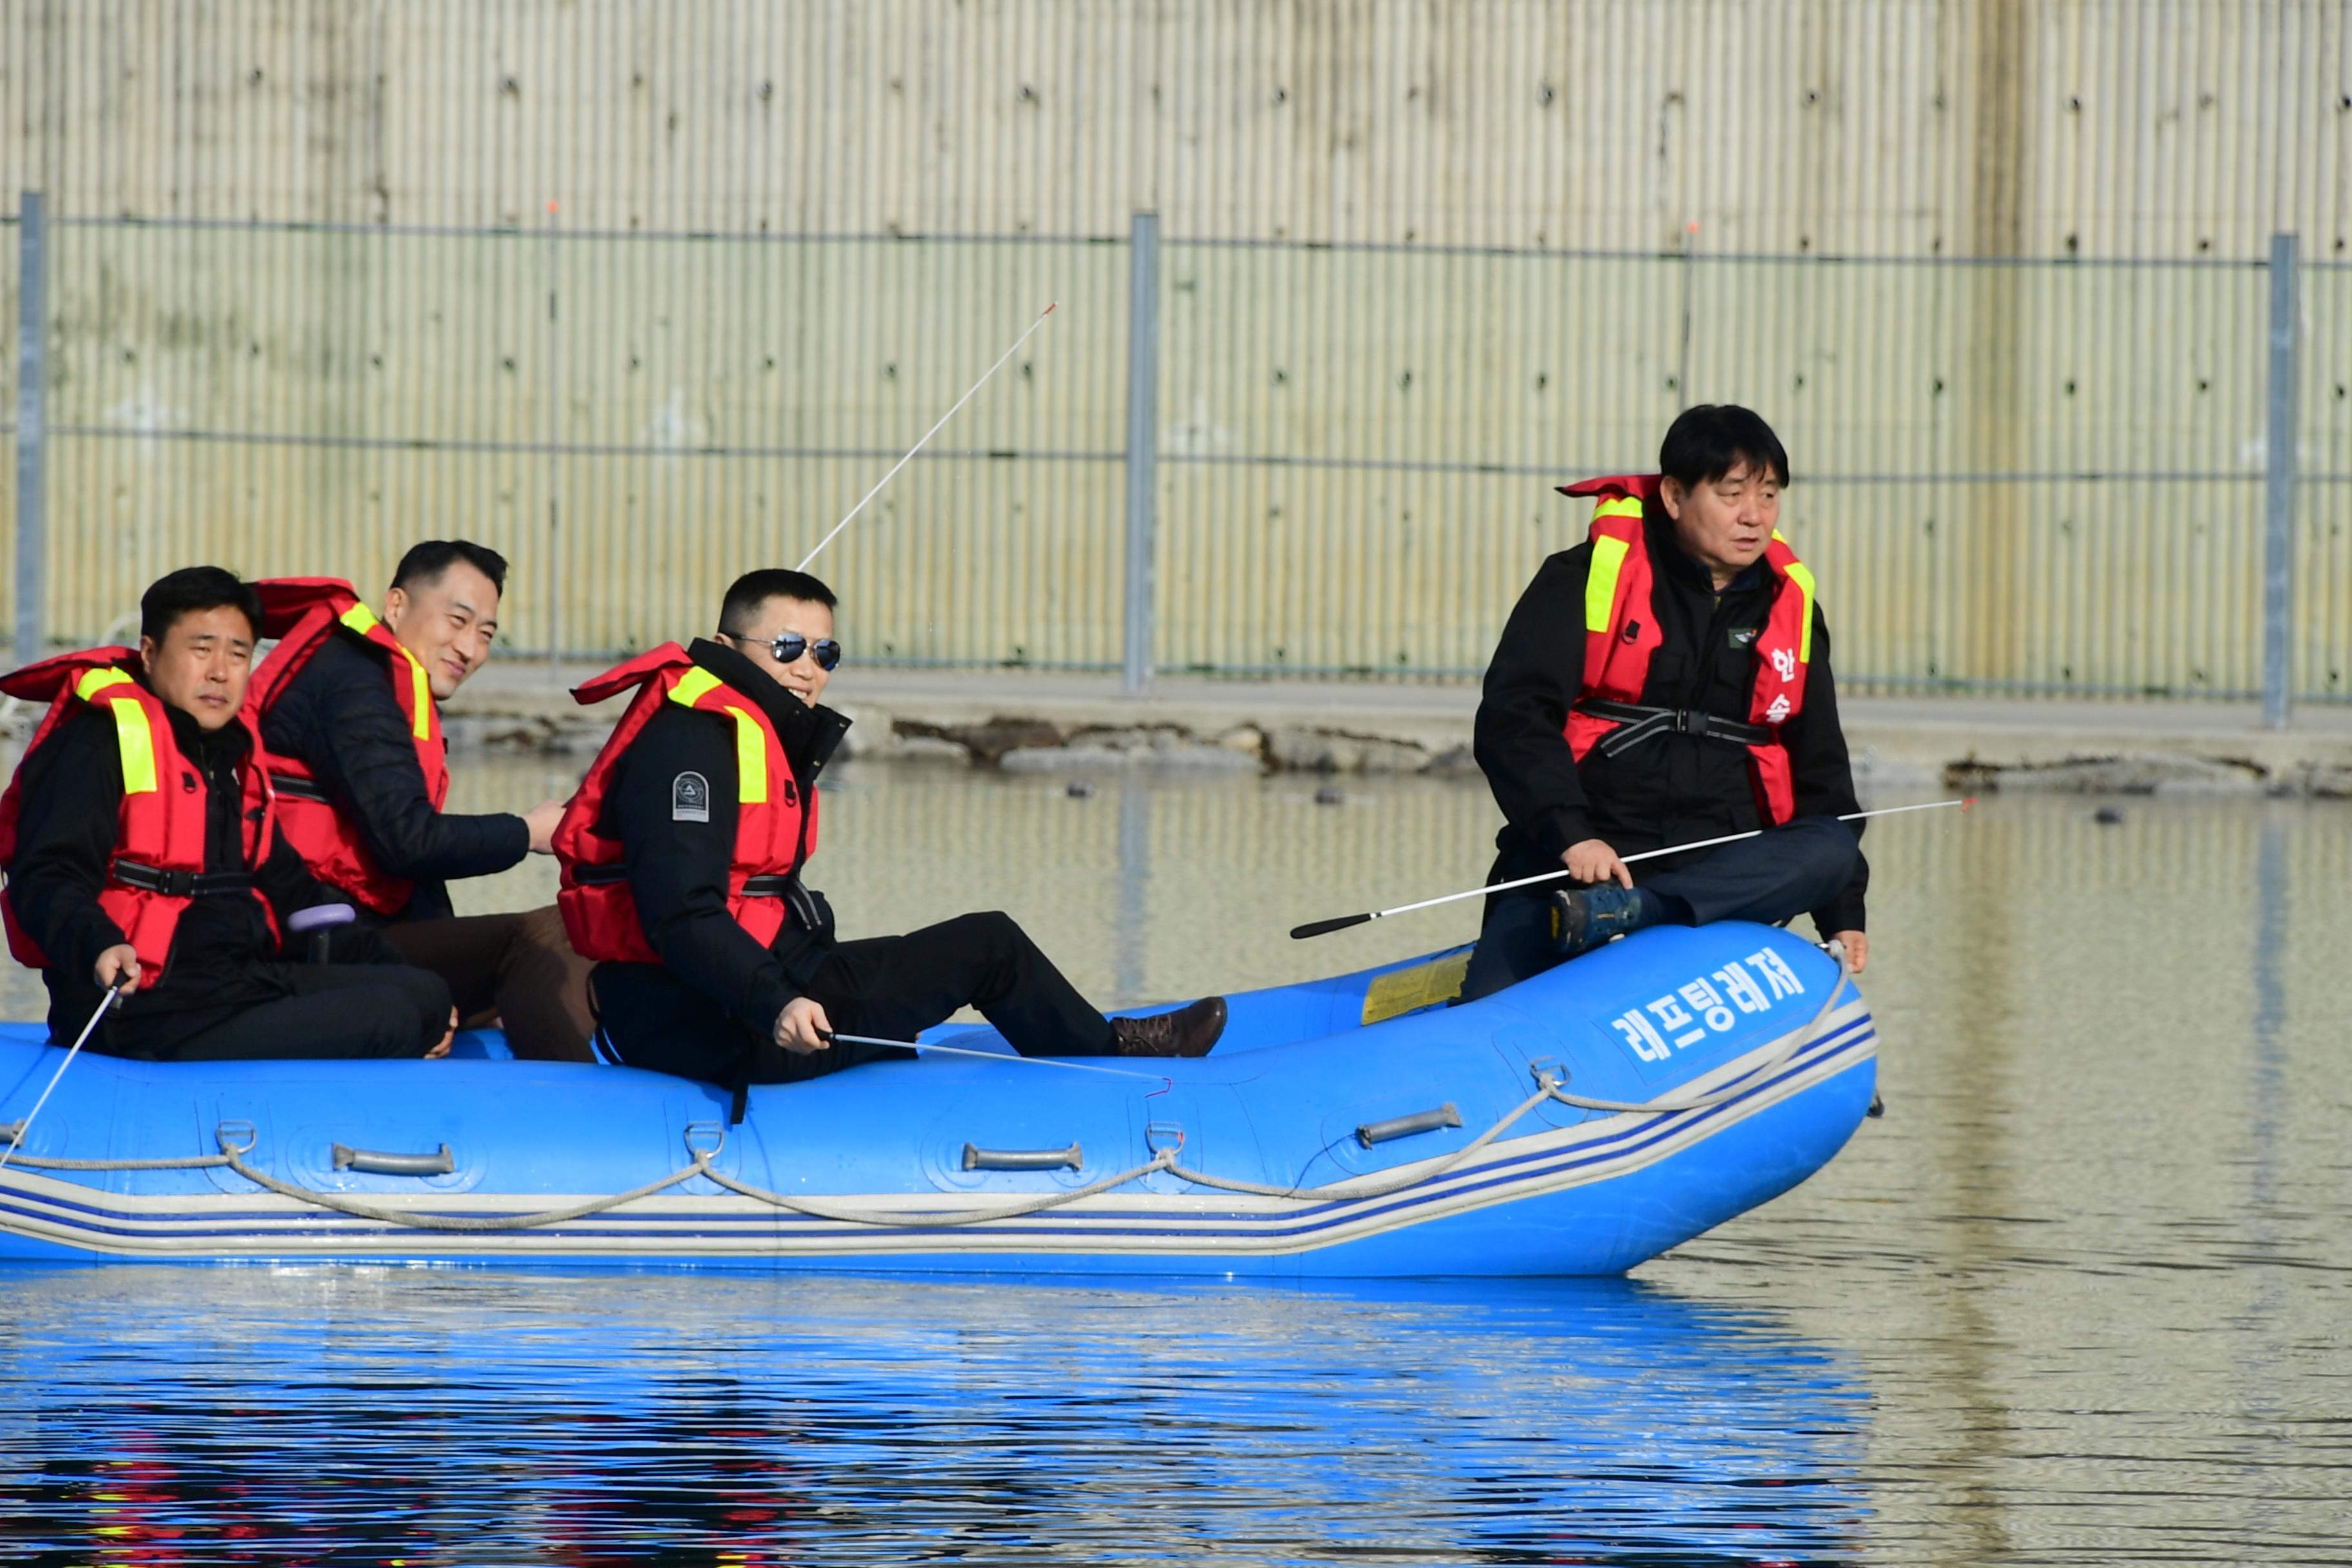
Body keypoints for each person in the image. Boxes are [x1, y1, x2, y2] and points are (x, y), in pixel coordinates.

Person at [554, 567, 1227, 1107]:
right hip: (708, 1019)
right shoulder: (688, 744)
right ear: (728, 649)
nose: (808, 668)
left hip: (766, 979)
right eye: (786, 647)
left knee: (988, 942)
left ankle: (1098, 1048)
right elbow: (681, 912)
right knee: (981, 953)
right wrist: (777, 999)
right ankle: (1113, 1070)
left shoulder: (742, 728)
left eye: (826, 652)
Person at [1461, 404, 1870, 1003]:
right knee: (1488, 1018)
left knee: (1831, 847)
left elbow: (1821, 769)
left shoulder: (1793, 611)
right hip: (1584, 870)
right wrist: (1573, 837)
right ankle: (1606, 914)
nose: (1753, 517)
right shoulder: (1583, 577)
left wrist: (1843, 913)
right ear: (1675, 496)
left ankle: (1645, 913)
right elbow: (1512, 719)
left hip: (1722, 878)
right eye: (1732, 494)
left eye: (1769, 495)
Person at [0, 567, 455, 1061]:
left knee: (425, 993)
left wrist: (385, 965)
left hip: (230, 984)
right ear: (150, 654)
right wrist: (98, 945)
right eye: (201, 649)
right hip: (145, 1011)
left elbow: (292, 889)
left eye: (238, 654)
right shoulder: (96, 743)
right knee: (400, 1015)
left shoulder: (227, 760)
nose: (220, 671)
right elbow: (46, 876)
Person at [246, 542, 594, 1060]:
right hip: (308, 940)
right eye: (457, 620)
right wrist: (527, 833)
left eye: (485, 635)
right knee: (548, 933)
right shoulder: (352, 682)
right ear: (396, 606)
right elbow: (406, 842)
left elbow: (414, 873)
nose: (470, 648)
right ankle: (575, 1116)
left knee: (570, 934)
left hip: (358, 931)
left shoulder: (385, 682)